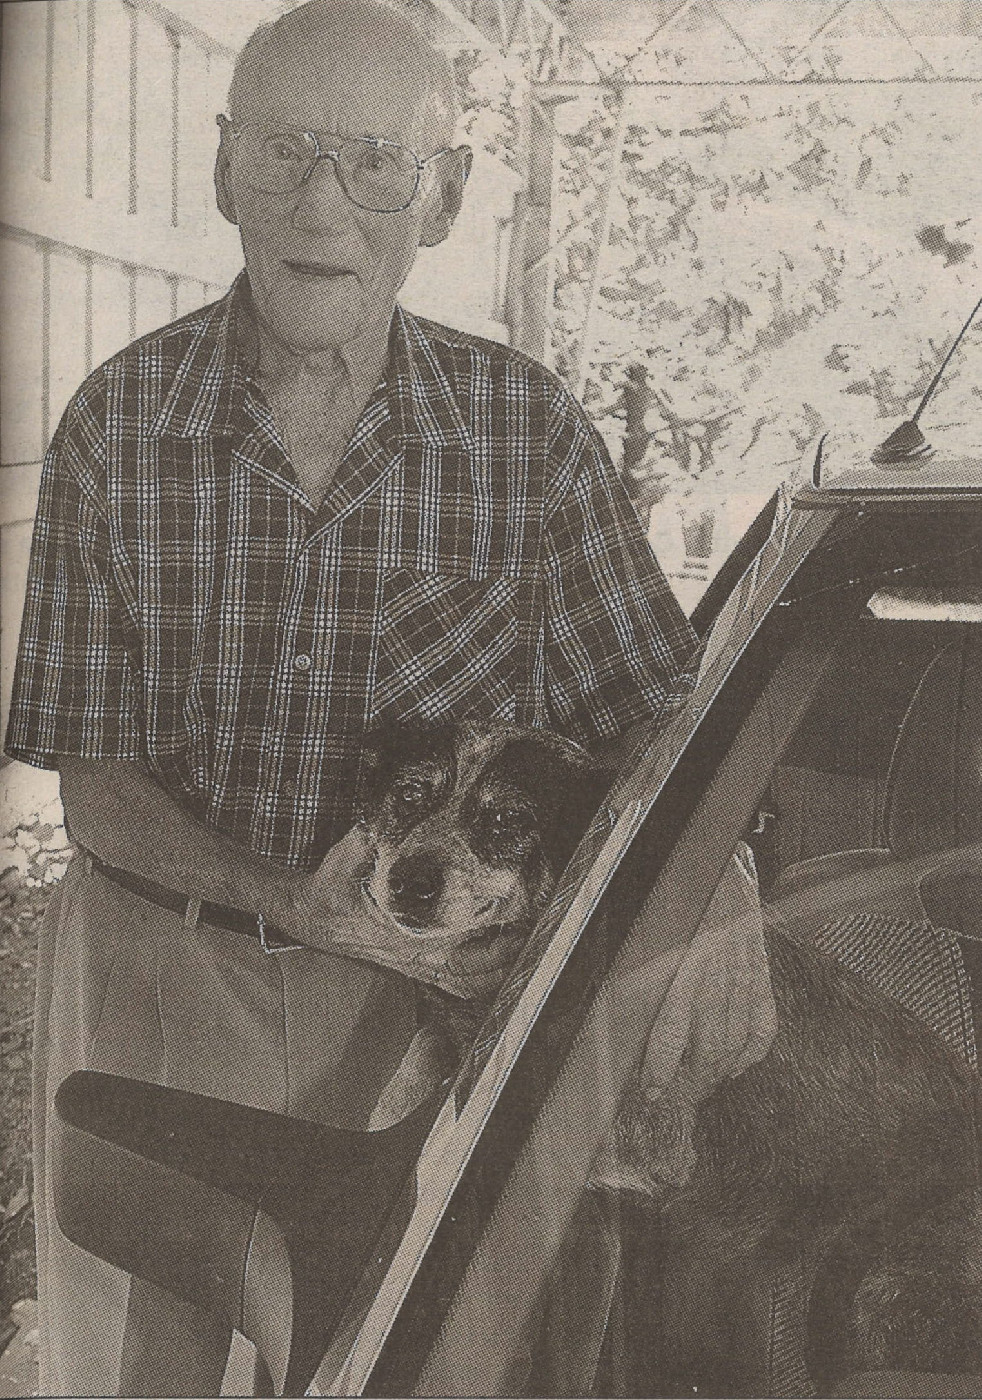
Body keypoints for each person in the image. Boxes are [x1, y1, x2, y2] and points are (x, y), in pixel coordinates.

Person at [5, 1, 776, 1394]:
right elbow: (97, 787)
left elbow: (659, 717)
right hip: (157, 975)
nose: (322, 205)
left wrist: (713, 871)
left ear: (445, 196)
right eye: (283, 152)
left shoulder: (524, 433)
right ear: (222, 170)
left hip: (419, 1015)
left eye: (374, 163)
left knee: (412, 1360)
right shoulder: (117, 426)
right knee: (135, 1369)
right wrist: (291, 901)